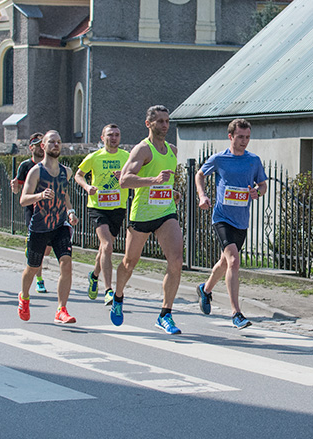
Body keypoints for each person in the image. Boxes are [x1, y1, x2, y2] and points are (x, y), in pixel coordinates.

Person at [110, 105, 183, 334]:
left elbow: (165, 181)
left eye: (167, 121)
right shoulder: (142, 149)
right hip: (142, 215)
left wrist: (171, 192)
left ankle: (165, 314)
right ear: (148, 123)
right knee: (130, 263)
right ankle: (118, 296)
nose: (164, 125)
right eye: (160, 121)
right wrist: (154, 180)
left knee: (176, 261)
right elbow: (124, 181)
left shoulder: (172, 150)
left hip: (165, 213)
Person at [195, 118, 268, 328]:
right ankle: (236, 313)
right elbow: (200, 175)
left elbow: (263, 185)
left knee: (225, 263)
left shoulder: (253, 160)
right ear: (231, 136)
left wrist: (258, 192)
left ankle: (205, 290)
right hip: (222, 217)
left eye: (247, 137)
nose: (244, 141)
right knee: (234, 261)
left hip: (241, 221)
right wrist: (203, 196)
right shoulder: (219, 159)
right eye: (240, 137)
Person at [17, 130, 79, 324]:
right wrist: (40, 196)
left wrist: (71, 211)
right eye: (52, 142)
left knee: (66, 263)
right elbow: (23, 199)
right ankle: (24, 297)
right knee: (32, 268)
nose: (56, 145)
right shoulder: (35, 172)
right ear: (42, 146)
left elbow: (65, 195)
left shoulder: (65, 172)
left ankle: (61, 309)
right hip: (40, 227)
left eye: (59, 142)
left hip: (60, 225)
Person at [74, 124, 130, 305]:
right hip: (98, 206)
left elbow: (135, 176)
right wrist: (87, 187)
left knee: (105, 247)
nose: (113, 138)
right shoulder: (94, 157)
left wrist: (124, 176)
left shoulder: (126, 157)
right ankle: (108, 290)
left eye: (117, 135)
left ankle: (94, 275)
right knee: (106, 245)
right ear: (102, 137)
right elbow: (79, 175)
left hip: (118, 207)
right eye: (110, 135)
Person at [11, 132, 50, 293]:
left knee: (47, 248)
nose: (40, 147)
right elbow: (17, 189)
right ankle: (39, 279)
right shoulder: (25, 166)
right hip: (32, 209)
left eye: (43, 143)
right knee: (39, 245)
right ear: (31, 147)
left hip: (50, 208)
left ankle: (31, 253)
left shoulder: (51, 164)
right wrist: (14, 187)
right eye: (37, 144)